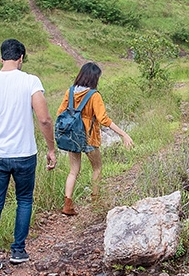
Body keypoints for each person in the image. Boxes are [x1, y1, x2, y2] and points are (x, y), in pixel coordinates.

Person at [0, 39, 57, 275]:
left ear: (1, 59)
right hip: (25, 154)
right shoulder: (30, 81)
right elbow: (45, 119)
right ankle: (18, 251)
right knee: (24, 200)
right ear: (21, 58)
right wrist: (51, 148)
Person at [57, 62, 134, 216]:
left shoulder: (70, 92)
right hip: (89, 137)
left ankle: (67, 205)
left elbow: (60, 112)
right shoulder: (94, 95)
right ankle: (96, 202)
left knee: (73, 171)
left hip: (72, 136)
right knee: (97, 168)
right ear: (94, 78)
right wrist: (123, 134)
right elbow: (103, 119)